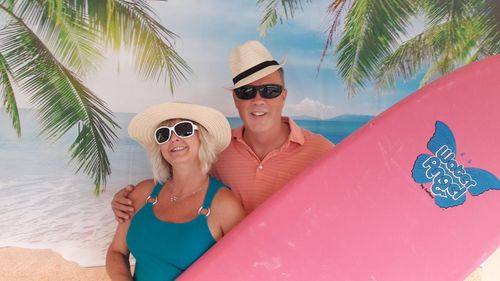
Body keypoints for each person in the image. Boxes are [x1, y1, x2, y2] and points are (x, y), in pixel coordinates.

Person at [111, 40, 334, 219]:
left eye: (270, 90)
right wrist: (127, 201)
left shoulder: (321, 151)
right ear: (236, 99)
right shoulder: (216, 150)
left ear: (283, 96)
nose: (258, 100)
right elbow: (175, 188)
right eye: (247, 92)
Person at [106, 102, 245, 281]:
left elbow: (243, 269)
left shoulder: (225, 205)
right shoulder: (142, 192)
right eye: (163, 135)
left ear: (202, 137)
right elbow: (116, 252)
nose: (174, 139)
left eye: (184, 129)